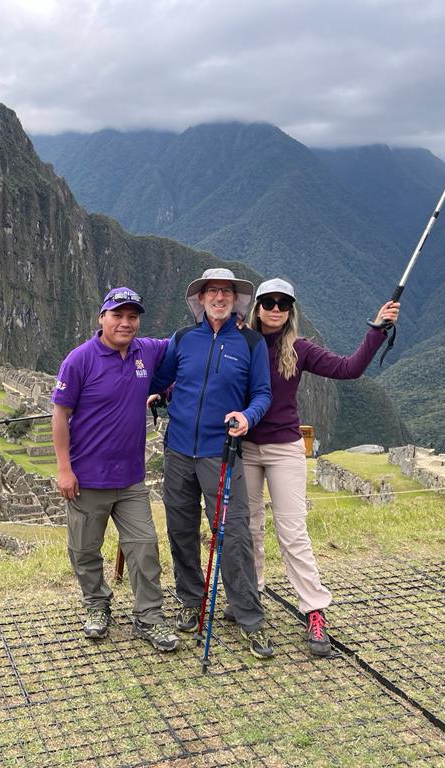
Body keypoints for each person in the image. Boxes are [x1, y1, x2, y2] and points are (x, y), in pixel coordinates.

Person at [243, 277, 399, 656]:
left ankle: (314, 609)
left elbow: (348, 369)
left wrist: (376, 330)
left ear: (290, 310)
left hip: (284, 448)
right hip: (244, 447)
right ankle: (250, 596)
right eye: (269, 302)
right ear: (257, 306)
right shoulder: (240, 344)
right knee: (247, 528)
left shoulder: (298, 349)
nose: (275, 309)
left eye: (283, 304)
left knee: (292, 530)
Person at [149, 268, 275, 659]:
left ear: (235, 300)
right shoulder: (184, 339)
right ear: (200, 300)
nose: (219, 298)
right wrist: (155, 394)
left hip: (221, 452)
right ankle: (191, 599)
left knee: (233, 534)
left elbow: (262, 394)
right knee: (181, 529)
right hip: (179, 450)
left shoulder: (251, 344)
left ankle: (248, 617)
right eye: (212, 292)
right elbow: (163, 378)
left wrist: (247, 417)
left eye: (226, 292)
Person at [51, 287, 180, 652]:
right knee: (84, 549)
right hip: (87, 478)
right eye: (117, 315)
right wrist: (64, 469)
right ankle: (96, 604)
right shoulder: (80, 360)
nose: (125, 323)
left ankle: (149, 616)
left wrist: (225, 317)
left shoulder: (147, 351)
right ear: (101, 318)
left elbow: (184, 341)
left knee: (144, 547)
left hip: (130, 479)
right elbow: (60, 415)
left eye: (132, 317)